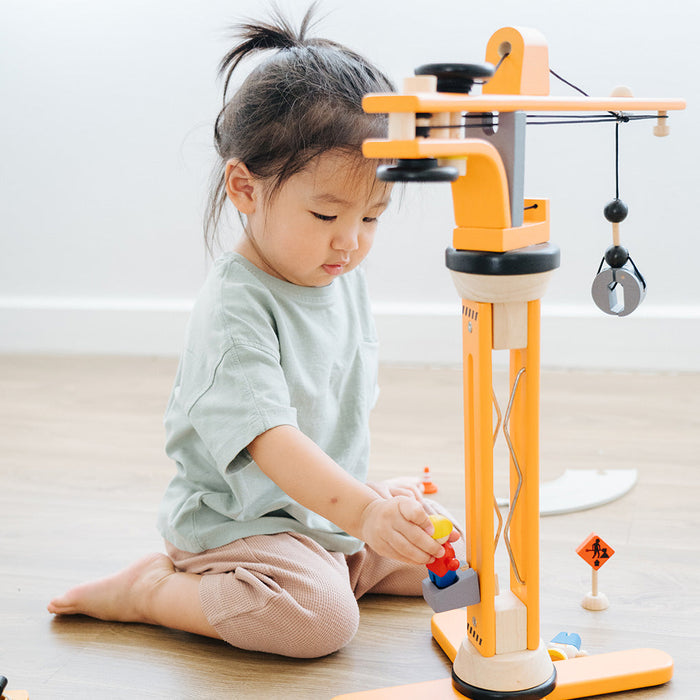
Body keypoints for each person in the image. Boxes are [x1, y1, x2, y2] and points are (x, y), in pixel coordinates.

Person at [48, 6, 463, 659]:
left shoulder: (332, 268)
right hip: (236, 525)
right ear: (243, 186)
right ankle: (153, 591)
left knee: (456, 549)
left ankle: (342, 563)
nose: (351, 241)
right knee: (321, 625)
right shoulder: (236, 307)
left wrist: (378, 509)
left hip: (315, 518)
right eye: (327, 212)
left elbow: (331, 414)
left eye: (373, 217)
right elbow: (273, 442)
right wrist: (365, 513)